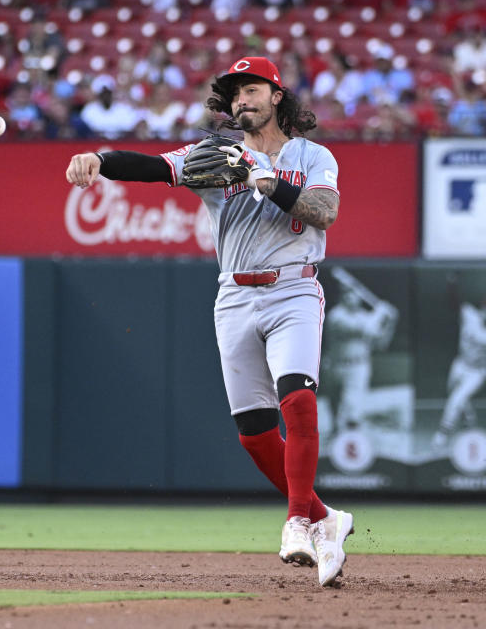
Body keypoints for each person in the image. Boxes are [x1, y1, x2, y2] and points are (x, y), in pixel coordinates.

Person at [64, 56, 353, 588]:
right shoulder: (216, 155)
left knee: (298, 398)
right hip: (234, 294)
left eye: (251, 89)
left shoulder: (313, 156)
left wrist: (266, 182)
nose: (241, 99)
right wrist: (98, 158)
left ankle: (297, 522)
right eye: (234, 93)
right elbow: (152, 166)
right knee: (255, 432)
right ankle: (324, 517)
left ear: (276, 95)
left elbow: (324, 211)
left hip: (292, 285)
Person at [432, 290, 486, 449]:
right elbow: (453, 302)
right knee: (457, 397)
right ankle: (469, 420)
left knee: (456, 399)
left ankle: (442, 434)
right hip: (460, 364)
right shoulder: (470, 315)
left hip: (478, 372)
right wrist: (452, 285)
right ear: (482, 307)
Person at [325, 267, 399, 432]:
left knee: (353, 409)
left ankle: (351, 437)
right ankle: (335, 433)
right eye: (347, 294)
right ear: (342, 297)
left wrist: (390, 323)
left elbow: (381, 343)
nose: (351, 297)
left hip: (358, 367)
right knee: (334, 406)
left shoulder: (364, 316)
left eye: (354, 293)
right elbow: (367, 329)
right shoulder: (336, 316)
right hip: (336, 366)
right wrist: (381, 312)